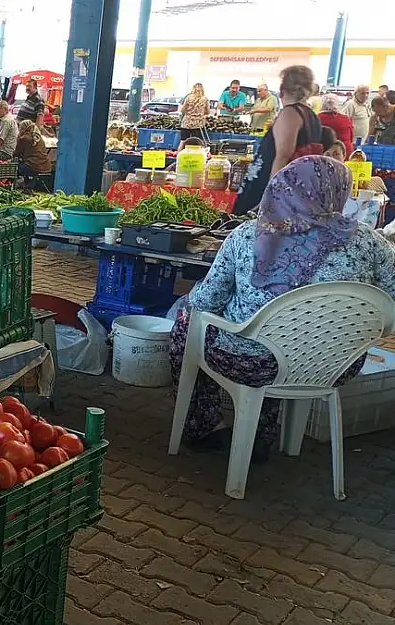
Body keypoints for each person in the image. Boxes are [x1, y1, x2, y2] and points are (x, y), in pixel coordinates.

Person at [169, 156, 395, 463]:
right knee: (281, 338)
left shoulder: (250, 235)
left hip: (250, 362)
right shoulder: (371, 243)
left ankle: (206, 427)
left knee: (189, 322)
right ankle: (263, 433)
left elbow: (204, 303)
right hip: (334, 364)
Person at [235, 66, 323, 216]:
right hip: (297, 188)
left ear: (283, 89)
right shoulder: (311, 115)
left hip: (273, 186)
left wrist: (270, 198)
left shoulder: (291, 113)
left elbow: (283, 156)